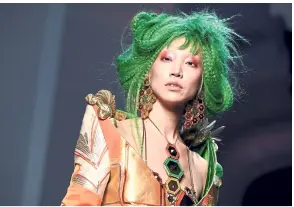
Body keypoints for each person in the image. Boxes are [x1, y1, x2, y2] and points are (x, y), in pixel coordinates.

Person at [61, 10, 245, 206]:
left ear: (203, 82)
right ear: (148, 70)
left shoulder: (204, 168)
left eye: (191, 63)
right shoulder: (109, 130)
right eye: (167, 59)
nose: (176, 71)